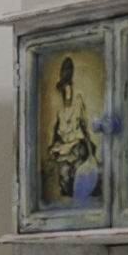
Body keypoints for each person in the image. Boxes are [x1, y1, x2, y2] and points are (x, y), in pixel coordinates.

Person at [43, 54, 98, 202]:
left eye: (70, 69)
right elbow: (54, 125)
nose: (67, 72)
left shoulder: (78, 99)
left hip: (77, 142)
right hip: (63, 144)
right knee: (66, 184)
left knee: (79, 157)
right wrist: (52, 146)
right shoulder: (56, 98)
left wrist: (90, 144)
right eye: (65, 69)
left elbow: (84, 124)